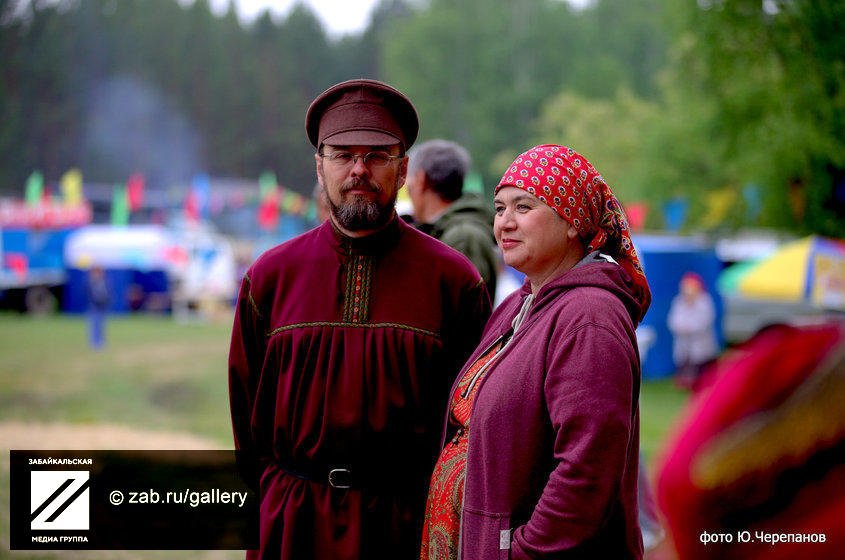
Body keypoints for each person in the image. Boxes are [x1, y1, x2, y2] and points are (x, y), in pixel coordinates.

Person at [228, 78, 492, 560]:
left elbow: (469, 426)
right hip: (292, 524)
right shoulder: (270, 278)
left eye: (376, 155)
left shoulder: (453, 282)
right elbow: (247, 425)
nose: (358, 169)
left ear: (403, 168)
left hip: (403, 526)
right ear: (319, 164)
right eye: (343, 154)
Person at [421, 144, 651, 559]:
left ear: (571, 222)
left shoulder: (589, 318)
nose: (504, 223)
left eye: (523, 207)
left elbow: (585, 472)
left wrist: (520, 552)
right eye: (499, 208)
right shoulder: (517, 306)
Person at [406, 139, 500, 299]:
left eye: (408, 178)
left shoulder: (464, 237)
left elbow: (461, 309)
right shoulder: (455, 231)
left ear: (420, 180)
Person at [667, 271, 719, 390]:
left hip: (700, 340)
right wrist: (681, 327)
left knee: (701, 363)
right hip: (683, 340)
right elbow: (673, 320)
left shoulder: (704, 301)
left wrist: (690, 328)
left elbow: (705, 321)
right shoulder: (678, 301)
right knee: (684, 362)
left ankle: (703, 383)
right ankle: (685, 383)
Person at [86, 265, 110, 350]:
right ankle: (94, 343)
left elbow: (107, 293)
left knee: (101, 325)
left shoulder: (103, 282)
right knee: (94, 324)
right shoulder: (92, 282)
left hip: (102, 306)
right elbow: (91, 294)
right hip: (95, 306)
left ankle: (100, 342)